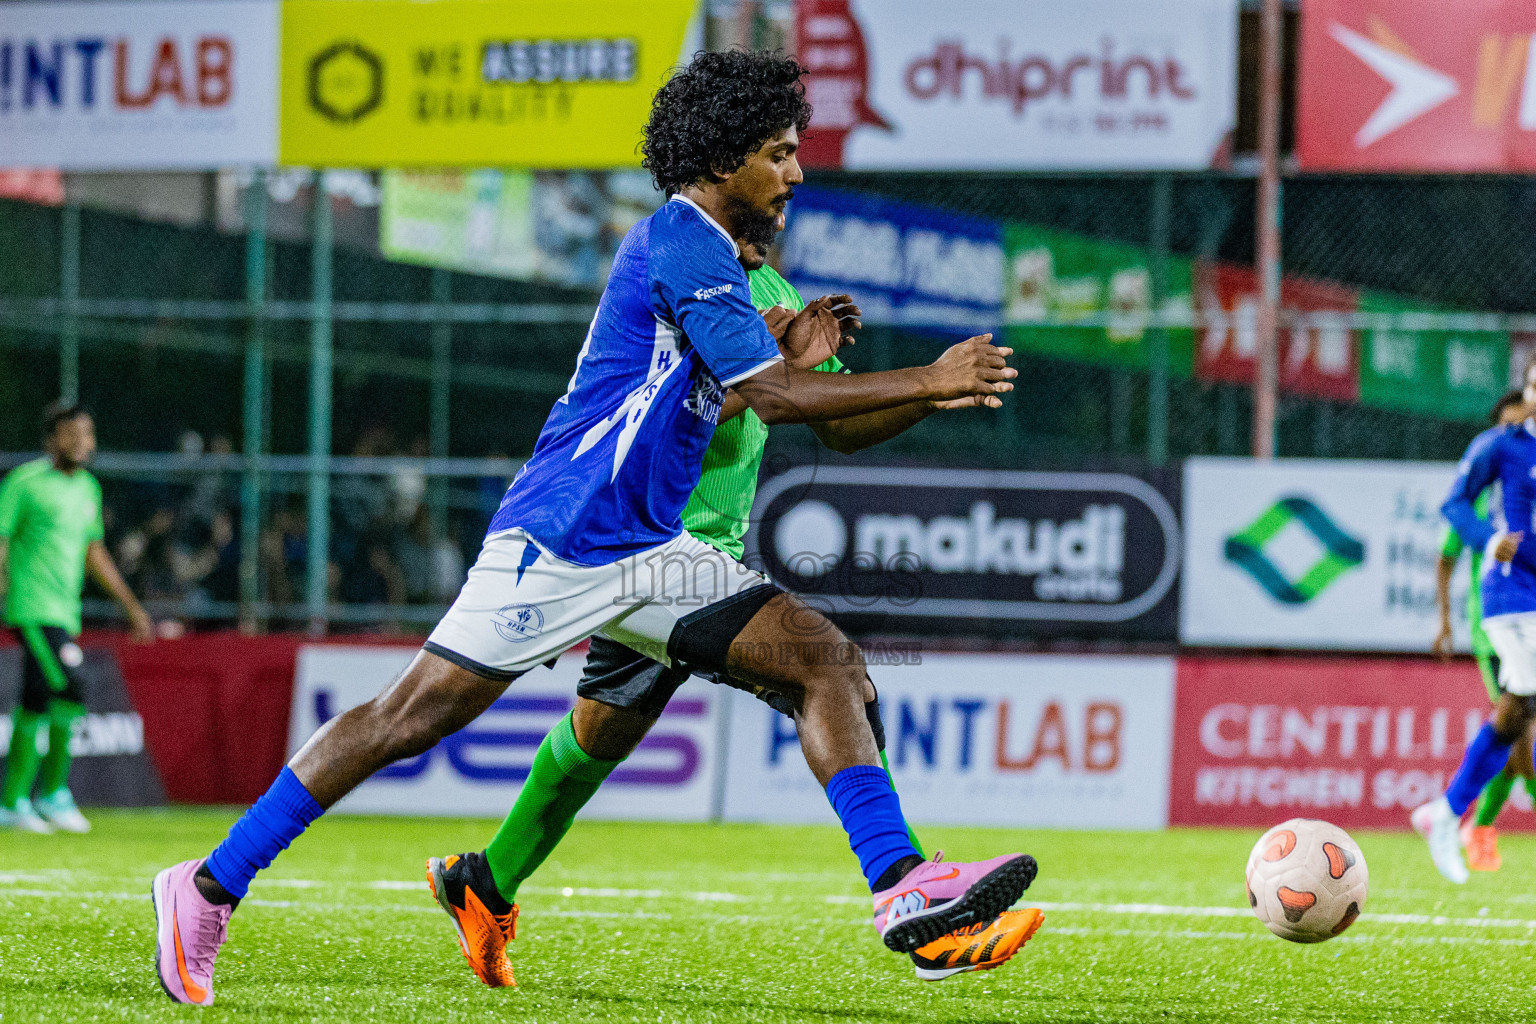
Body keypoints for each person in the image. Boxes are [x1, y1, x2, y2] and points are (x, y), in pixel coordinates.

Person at [151, 50, 1027, 1007]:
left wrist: (891, 383)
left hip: (654, 549)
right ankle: (205, 887)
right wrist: (932, 378)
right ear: (726, 156)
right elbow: (770, 399)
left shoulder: (732, 268)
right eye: (780, 153)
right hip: (564, 537)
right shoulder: (681, 236)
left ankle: (902, 890)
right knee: (408, 720)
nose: (797, 173)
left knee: (828, 662)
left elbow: (783, 394)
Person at [429, 224, 1043, 989]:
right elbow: (662, 414)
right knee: (832, 674)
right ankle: (911, 899)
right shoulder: (682, 271)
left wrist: (932, 393)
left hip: (694, 555)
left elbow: (838, 426)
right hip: (642, 548)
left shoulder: (777, 292)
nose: (785, 187)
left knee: (598, 737)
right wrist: (798, 367)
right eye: (773, 158)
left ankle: (482, 885)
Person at [0, 403, 153, 834]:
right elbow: (2, 537)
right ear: (51, 439)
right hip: (31, 607)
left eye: (87, 434)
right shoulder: (24, 483)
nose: (81, 442)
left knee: (38, 697)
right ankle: (47, 795)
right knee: (69, 684)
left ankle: (17, 800)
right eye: (71, 434)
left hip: (64, 612)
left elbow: (94, 553)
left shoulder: (88, 488)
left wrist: (131, 606)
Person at [1416, 357, 1536, 882]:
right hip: (1511, 596)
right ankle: (1460, 819)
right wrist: (1489, 541)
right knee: (1525, 705)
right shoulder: (1501, 446)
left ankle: (1446, 813)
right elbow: (1454, 504)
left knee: (1514, 715)